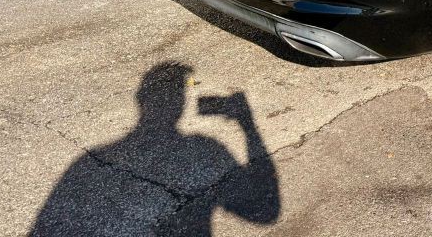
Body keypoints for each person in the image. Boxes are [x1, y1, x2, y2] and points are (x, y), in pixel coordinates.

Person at [30, 62, 279, 236]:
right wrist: (247, 125)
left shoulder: (81, 165)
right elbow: (266, 214)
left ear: (140, 99)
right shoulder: (205, 146)